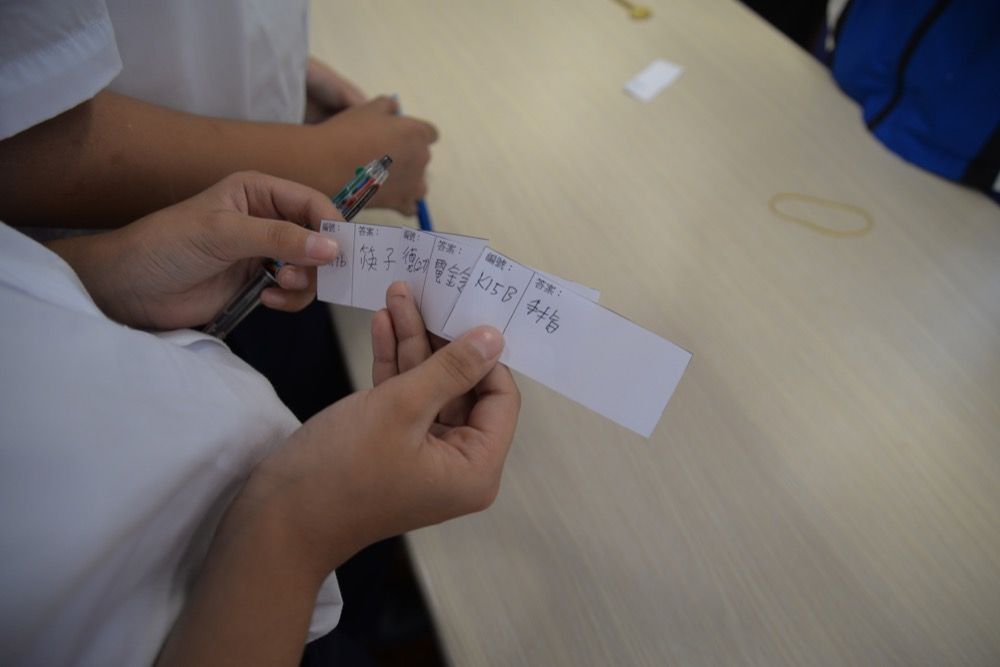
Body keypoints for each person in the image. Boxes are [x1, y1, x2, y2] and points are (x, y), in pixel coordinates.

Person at [0, 171, 520, 665]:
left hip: (279, 526)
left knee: (359, 598)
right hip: (253, 618)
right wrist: (298, 526)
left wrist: (99, 279)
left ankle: (371, 614)